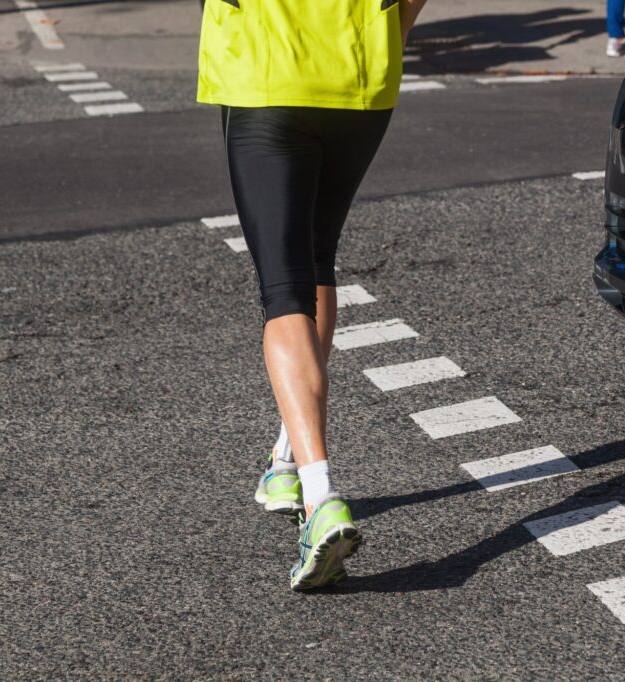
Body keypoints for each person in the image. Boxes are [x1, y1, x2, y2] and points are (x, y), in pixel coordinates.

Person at [196, 0, 428, 591]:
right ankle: (284, 462)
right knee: (318, 258)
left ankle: (320, 495)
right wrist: (386, 39)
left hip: (265, 79)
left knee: (283, 288)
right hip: (360, 80)